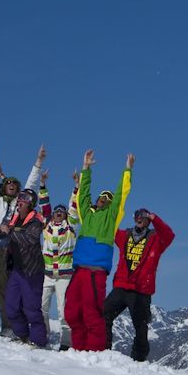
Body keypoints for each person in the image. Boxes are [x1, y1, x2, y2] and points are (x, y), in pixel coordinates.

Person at [65, 150, 131, 351]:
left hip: (96, 273)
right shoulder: (87, 215)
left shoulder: (111, 218)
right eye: (102, 196)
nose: (104, 198)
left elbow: (121, 195)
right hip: (79, 272)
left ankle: (95, 353)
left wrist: (127, 169)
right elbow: (83, 194)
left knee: (92, 313)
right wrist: (86, 168)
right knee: (72, 313)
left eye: (108, 197)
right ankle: (78, 351)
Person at [0, 145, 45, 335]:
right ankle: (9, 325)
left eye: (15, 183)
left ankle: (15, 327)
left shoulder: (19, 203)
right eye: (8, 182)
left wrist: (38, 162)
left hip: (14, 247)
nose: (12, 185)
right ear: (4, 186)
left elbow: (31, 183)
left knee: (14, 288)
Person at [103, 206, 175, 362]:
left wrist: (155, 218)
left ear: (149, 220)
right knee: (104, 313)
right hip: (122, 286)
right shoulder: (125, 235)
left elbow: (169, 235)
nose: (139, 218)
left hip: (141, 290)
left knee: (140, 327)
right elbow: (110, 228)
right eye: (136, 215)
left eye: (143, 216)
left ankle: (139, 359)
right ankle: (104, 349)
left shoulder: (156, 239)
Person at [0, 189, 50, 347]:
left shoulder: (35, 220)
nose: (21, 200)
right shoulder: (13, 220)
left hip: (32, 271)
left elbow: (30, 238)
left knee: (31, 308)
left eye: (25, 198)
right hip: (16, 269)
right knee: (11, 307)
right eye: (19, 197)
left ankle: (38, 341)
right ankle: (22, 335)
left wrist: (10, 231)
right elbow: (2, 233)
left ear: (31, 203)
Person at [40, 186, 78, 351]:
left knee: (63, 310)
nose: (59, 213)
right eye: (57, 211)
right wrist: (42, 186)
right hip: (47, 275)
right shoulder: (46, 226)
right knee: (41, 307)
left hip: (64, 276)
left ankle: (66, 343)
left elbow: (74, 207)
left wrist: (75, 188)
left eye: (62, 211)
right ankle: (43, 335)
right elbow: (44, 205)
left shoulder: (70, 227)